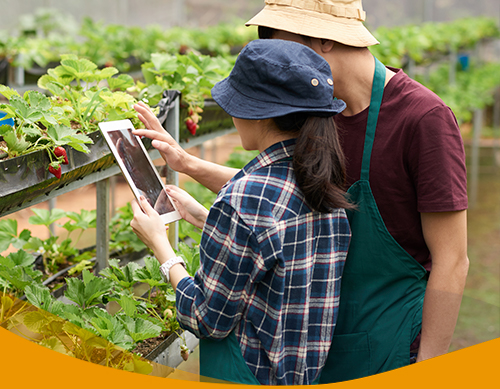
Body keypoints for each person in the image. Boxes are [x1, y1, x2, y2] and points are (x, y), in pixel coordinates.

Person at [135, 0, 470, 383]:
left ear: (322, 39)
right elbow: (283, 195)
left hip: (389, 342)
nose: (276, 57)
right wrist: (188, 164)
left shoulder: (422, 118)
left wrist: (428, 369)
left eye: (277, 39)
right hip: (315, 343)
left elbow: (453, 260)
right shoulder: (317, 115)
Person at [130, 39, 352, 385]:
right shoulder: (322, 181)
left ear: (259, 112)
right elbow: (270, 251)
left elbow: (206, 319)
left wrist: (163, 248)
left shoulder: (243, 199)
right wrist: (207, 217)